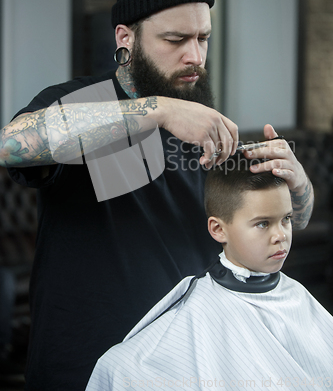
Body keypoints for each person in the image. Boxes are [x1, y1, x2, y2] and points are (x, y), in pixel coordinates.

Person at [0, 0, 314, 390]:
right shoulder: (82, 104)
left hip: (187, 363)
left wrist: (299, 187)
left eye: (202, 38)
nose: (195, 57)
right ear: (125, 39)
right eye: (175, 40)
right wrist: (159, 110)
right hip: (86, 364)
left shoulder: (207, 126)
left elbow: (277, 223)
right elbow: (10, 145)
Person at [85, 154, 333, 390]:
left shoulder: (297, 295)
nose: (281, 235)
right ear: (218, 229)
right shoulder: (201, 308)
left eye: (286, 219)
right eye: (262, 223)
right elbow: (114, 371)